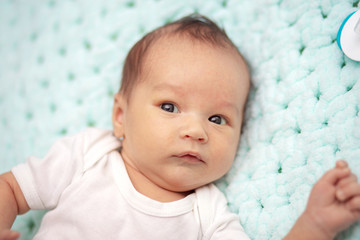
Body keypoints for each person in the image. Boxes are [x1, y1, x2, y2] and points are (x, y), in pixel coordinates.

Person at [0, 14, 359, 240]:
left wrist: (315, 224)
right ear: (121, 116)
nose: (196, 131)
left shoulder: (209, 215)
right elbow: (11, 190)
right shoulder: (88, 155)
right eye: (170, 107)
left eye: (217, 119)